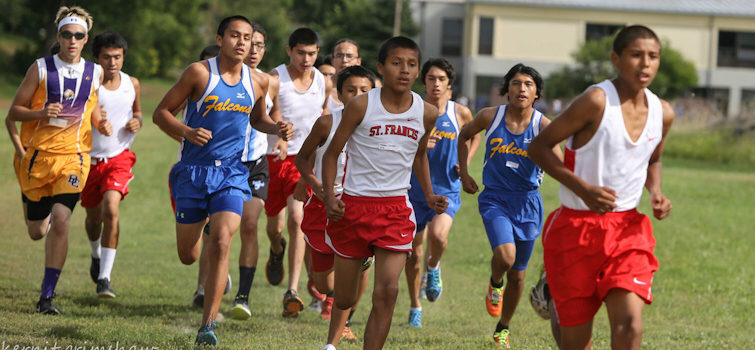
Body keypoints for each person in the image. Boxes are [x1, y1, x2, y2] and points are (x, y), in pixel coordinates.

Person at [528, 25, 674, 350]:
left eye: (653, 56)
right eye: (636, 55)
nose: (645, 64)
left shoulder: (663, 112)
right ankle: (555, 295)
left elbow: (652, 160)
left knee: (630, 327)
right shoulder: (596, 101)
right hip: (575, 229)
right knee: (576, 342)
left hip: (627, 230)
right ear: (616, 59)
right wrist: (583, 189)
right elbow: (538, 147)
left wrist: (656, 192)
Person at [152, 15, 291, 345]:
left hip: (231, 172)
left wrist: (275, 129)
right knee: (188, 254)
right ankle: (201, 228)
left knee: (224, 241)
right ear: (219, 38)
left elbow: (258, 117)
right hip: (193, 172)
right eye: (234, 36)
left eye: (247, 37)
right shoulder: (199, 73)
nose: (242, 43)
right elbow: (161, 113)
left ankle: (207, 326)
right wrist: (187, 132)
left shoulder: (258, 81)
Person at [321, 36, 448, 350]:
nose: (404, 70)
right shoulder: (361, 105)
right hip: (353, 208)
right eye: (396, 63)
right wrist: (329, 197)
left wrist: (429, 195)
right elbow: (331, 154)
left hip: (395, 210)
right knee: (346, 297)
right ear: (381, 67)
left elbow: (419, 155)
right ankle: (362, 259)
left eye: (411, 64)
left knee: (387, 293)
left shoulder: (427, 113)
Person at [8, 5, 111, 315]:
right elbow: (13, 113)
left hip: (75, 158)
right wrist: (40, 113)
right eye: (67, 35)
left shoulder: (96, 72)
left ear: (85, 39)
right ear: (59, 36)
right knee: (37, 231)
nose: (72, 41)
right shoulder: (40, 69)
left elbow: (91, 106)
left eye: (78, 36)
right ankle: (45, 213)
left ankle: (47, 297)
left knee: (63, 220)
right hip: (38, 159)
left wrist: (100, 122)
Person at [458, 63, 562, 348]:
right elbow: (464, 135)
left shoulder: (544, 125)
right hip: (495, 199)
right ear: (507, 89)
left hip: (528, 203)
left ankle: (503, 326)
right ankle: (495, 282)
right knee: (505, 258)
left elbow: (560, 163)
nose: (522, 89)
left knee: (518, 276)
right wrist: (465, 173)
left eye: (529, 84)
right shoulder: (490, 116)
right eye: (516, 83)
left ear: (537, 92)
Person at [295, 65, 377, 344]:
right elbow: (302, 158)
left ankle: (338, 332)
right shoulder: (326, 124)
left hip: (358, 209)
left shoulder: (379, 127)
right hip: (321, 207)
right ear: (339, 94)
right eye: (350, 90)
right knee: (323, 284)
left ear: (373, 93)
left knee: (346, 285)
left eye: (364, 90)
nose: (357, 95)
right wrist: (313, 184)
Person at [404, 57, 479, 328]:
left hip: (447, 187)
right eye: (431, 79)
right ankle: (415, 305)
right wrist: (420, 143)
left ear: (450, 84)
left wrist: (466, 161)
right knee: (413, 253)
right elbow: (399, 143)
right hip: (413, 189)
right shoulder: (412, 110)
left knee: (438, 236)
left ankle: (433, 268)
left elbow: (474, 136)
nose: (436, 84)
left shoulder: (460, 113)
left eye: (441, 79)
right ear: (423, 82)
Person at [264, 27, 331, 318]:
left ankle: (292, 291)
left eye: (312, 53)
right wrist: (279, 131)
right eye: (301, 52)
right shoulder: (275, 79)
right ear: (289, 50)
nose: (307, 58)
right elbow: (269, 112)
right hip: (276, 158)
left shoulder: (323, 81)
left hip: (305, 161)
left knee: (297, 219)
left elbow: (325, 113)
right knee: (274, 228)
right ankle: (276, 250)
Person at [80, 31, 142, 299]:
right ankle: (95, 254)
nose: (112, 62)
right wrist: (94, 119)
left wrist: (137, 120)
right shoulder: (88, 84)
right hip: (88, 160)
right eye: (106, 57)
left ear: (123, 57)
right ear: (96, 59)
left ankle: (104, 278)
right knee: (93, 219)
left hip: (119, 157)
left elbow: (137, 111)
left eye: (117, 57)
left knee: (111, 210)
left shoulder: (132, 83)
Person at [228, 22, 281, 320]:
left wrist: (279, 132)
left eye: (259, 45)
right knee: (221, 231)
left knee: (249, 224)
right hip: (223, 163)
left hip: (256, 163)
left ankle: (243, 297)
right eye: (250, 43)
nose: (253, 50)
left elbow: (273, 115)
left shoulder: (269, 82)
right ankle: (214, 278)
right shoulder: (222, 78)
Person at [326, 39, 362, 113]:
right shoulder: (322, 84)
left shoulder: (366, 88)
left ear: (359, 61)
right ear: (332, 60)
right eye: (339, 56)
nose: (344, 60)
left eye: (349, 56)